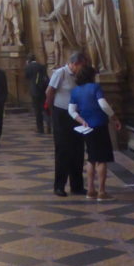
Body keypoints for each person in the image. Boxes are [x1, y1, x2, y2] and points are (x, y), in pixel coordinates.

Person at [69, 63, 122, 199]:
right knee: (102, 159)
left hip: (86, 128)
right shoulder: (95, 87)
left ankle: (90, 189)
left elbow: (71, 111)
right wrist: (114, 117)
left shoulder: (75, 91)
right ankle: (102, 191)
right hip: (99, 125)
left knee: (91, 158)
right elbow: (103, 104)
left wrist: (81, 120)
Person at [46, 50, 88, 196]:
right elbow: (49, 92)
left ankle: (77, 185)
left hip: (76, 116)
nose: (83, 68)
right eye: (82, 65)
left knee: (78, 150)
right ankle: (59, 186)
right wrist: (52, 111)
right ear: (75, 64)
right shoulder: (60, 73)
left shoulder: (79, 76)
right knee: (63, 151)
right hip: (62, 115)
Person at [81, 0, 124, 74]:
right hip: (92, 19)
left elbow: (97, 0)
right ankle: (96, 64)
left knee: (99, 40)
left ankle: (103, 64)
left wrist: (84, 0)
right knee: (90, 40)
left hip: (98, 20)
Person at [24, 54, 49, 133]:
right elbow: (46, 77)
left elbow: (26, 77)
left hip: (34, 91)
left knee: (37, 110)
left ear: (28, 60)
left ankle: (40, 128)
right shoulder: (41, 66)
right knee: (45, 108)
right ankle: (49, 125)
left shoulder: (28, 67)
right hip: (42, 90)